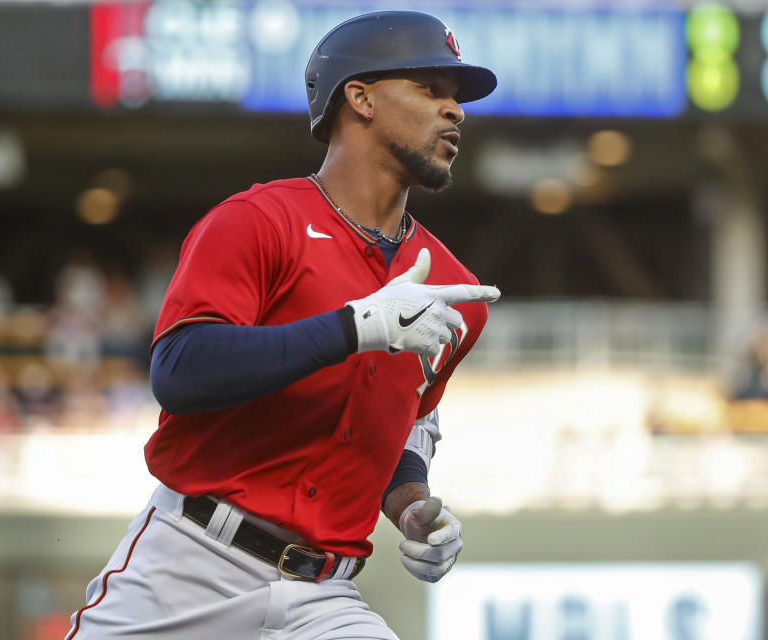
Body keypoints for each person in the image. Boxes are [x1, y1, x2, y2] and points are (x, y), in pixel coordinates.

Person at [65, 11, 499, 640]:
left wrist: (410, 507)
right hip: (188, 567)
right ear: (361, 98)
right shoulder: (256, 220)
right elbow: (181, 371)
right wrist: (352, 328)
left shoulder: (460, 294)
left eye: (456, 97)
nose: (455, 110)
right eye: (431, 88)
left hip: (322, 595)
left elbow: (407, 430)